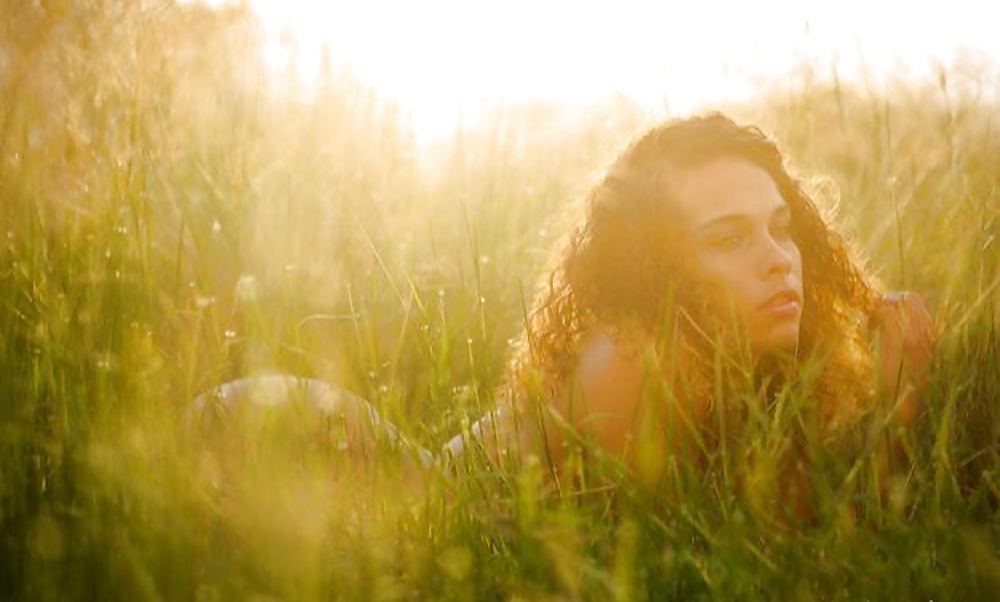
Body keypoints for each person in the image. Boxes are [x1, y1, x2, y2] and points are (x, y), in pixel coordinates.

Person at [194, 113, 937, 514]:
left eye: (782, 227)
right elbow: (770, 532)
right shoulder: (632, 361)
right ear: (660, 272)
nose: (780, 258)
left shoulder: (743, 354)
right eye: (729, 238)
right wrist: (898, 403)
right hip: (317, 448)